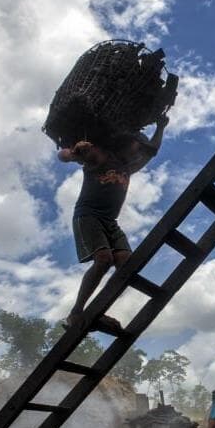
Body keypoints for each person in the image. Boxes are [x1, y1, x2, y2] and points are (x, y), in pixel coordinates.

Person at [58, 116, 169, 329]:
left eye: (139, 149)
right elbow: (63, 155)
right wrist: (73, 152)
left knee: (126, 265)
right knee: (103, 259)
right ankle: (75, 313)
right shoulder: (100, 156)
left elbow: (152, 149)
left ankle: (98, 312)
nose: (138, 151)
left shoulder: (128, 166)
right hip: (88, 216)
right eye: (136, 147)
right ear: (125, 145)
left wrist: (161, 127)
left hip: (110, 221)